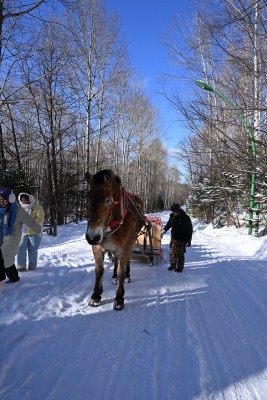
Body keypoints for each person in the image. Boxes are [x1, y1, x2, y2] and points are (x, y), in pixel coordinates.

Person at [0, 188, 42, 285]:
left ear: (10, 199)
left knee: (5, 257)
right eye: (0, 201)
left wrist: (38, 230)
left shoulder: (18, 210)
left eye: (4, 200)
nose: (1, 203)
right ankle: (13, 277)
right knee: (5, 258)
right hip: (1, 237)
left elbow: (30, 221)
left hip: (12, 238)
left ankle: (13, 277)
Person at [16, 192, 44, 271]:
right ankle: (21, 265)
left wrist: (28, 223)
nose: (24, 201)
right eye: (22, 200)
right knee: (20, 248)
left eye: (25, 200)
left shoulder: (37, 207)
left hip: (35, 232)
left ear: (29, 199)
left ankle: (32, 265)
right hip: (22, 232)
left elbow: (40, 219)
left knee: (33, 249)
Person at [161, 204, 193, 272]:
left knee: (180, 253)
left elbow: (190, 229)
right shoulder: (172, 216)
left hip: (182, 239)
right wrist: (164, 230)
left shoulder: (185, 218)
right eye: (172, 211)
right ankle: (173, 265)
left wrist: (189, 240)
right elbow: (169, 224)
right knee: (172, 252)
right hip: (174, 237)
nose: (173, 213)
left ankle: (180, 267)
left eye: (174, 211)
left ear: (177, 211)